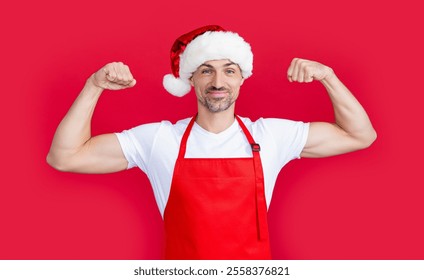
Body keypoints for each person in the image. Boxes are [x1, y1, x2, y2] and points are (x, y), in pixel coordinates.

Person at [46, 25, 377, 260]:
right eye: (206, 71)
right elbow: (66, 157)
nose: (218, 82)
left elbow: (360, 135)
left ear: (242, 78)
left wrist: (328, 77)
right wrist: (93, 86)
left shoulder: (271, 135)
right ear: (190, 79)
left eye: (229, 71)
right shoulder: (159, 139)